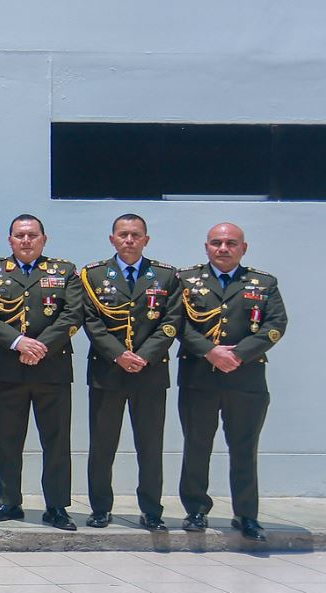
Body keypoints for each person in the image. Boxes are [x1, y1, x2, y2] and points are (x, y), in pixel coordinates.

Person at [0, 215, 83, 531]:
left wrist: (40, 346)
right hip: (7, 370)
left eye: (32, 235)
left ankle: (56, 507)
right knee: (7, 441)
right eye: (19, 235)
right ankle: (9, 502)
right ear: (10, 240)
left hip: (52, 369)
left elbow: (74, 314)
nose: (26, 240)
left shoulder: (64, 271)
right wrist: (19, 342)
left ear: (44, 240)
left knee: (56, 442)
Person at [177, 222, 287, 541]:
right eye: (216, 242)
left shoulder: (263, 283)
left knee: (244, 448)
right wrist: (210, 351)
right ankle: (196, 510)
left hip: (246, 380)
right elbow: (176, 323)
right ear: (206, 247)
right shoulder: (186, 280)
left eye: (230, 243)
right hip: (199, 379)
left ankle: (246, 515)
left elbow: (276, 324)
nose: (223, 248)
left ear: (243, 248)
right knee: (196, 446)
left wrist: (239, 354)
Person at [80, 213, 181, 530]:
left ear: (146, 240)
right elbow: (91, 322)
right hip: (107, 373)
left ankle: (151, 510)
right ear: (112, 239)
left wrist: (144, 356)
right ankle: (100, 508)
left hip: (150, 374)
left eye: (136, 235)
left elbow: (171, 322)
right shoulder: (94, 275)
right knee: (102, 446)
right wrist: (119, 354)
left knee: (150, 447)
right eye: (123, 234)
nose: (129, 240)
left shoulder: (165, 276)